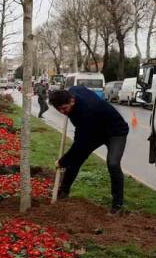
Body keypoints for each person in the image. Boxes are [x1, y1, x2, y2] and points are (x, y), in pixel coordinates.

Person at [49, 85, 129, 213]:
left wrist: (62, 161)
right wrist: (69, 159)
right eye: (59, 110)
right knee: (76, 160)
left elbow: (80, 144)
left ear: (72, 101)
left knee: (113, 164)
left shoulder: (87, 110)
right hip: (93, 132)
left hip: (115, 131)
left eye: (64, 108)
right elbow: (78, 87)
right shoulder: (73, 92)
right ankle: (64, 191)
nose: (63, 112)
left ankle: (117, 205)